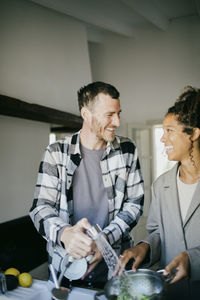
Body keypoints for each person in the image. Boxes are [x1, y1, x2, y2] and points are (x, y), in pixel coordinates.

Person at [29, 81, 144, 288]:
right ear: (86, 114)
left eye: (118, 113)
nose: (117, 121)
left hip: (115, 267)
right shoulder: (55, 152)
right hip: (64, 270)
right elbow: (39, 208)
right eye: (109, 115)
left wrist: (104, 241)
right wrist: (64, 233)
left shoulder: (127, 149)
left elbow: (135, 204)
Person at [118, 86, 200, 298]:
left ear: (194, 133)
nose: (163, 139)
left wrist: (192, 259)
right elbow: (157, 233)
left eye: (169, 131)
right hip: (171, 292)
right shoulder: (161, 185)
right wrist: (144, 247)